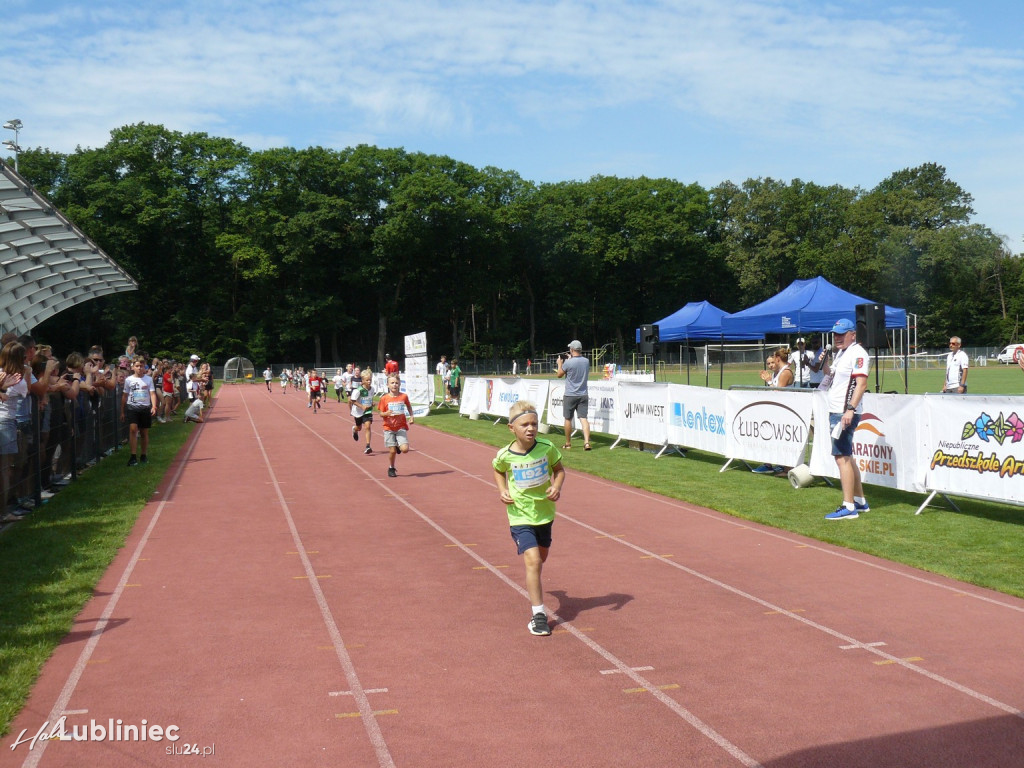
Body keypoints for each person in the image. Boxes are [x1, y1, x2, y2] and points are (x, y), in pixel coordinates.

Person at [492, 400, 565, 636]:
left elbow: (559, 470)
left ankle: (535, 584)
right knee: (533, 560)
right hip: (519, 514)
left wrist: (556, 486)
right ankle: (539, 615)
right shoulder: (505, 455)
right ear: (511, 428)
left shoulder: (547, 447)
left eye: (534, 423)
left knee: (540, 559)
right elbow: (498, 469)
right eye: (525, 424)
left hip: (544, 514)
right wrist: (502, 489)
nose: (531, 428)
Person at [823, 318, 871, 520]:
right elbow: (830, 376)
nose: (837, 337)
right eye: (835, 334)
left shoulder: (858, 353)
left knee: (841, 457)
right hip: (837, 410)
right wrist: (824, 360)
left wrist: (850, 409)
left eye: (841, 334)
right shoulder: (841, 353)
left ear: (853, 334)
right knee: (847, 456)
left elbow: (861, 383)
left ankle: (848, 506)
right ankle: (859, 501)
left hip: (844, 411)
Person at [753, 348, 793, 474]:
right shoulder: (779, 372)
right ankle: (772, 464)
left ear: (777, 359)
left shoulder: (785, 372)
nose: (771, 365)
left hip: (784, 410)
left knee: (783, 439)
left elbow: (778, 392)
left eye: (773, 361)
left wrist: (769, 381)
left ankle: (786, 468)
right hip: (777, 410)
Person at [121, 357, 158, 466]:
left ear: (144, 367)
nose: (139, 368)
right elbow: (124, 395)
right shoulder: (128, 380)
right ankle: (133, 456)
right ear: (133, 367)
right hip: (132, 407)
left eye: (141, 366)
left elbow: (152, 393)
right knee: (133, 429)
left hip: (145, 407)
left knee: (144, 432)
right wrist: (122, 411)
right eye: (137, 366)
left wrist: (154, 406)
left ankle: (143, 454)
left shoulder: (148, 379)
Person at [556, 340, 591, 451]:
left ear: (571, 349)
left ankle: (568, 443)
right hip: (583, 394)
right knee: (583, 418)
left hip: (570, 394)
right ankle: (586, 442)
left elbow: (559, 375)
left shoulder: (568, 363)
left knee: (568, 419)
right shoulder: (586, 361)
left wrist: (560, 364)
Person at [377, 373, 414, 477]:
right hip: (388, 428)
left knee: (405, 450)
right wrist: (386, 413)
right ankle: (391, 467)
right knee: (392, 451)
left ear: (400, 384)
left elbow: (409, 407)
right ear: (387, 385)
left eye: (396, 383)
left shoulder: (403, 396)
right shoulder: (384, 398)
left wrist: (411, 417)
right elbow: (380, 413)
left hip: (401, 426)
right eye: (392, 383)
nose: (394, 385)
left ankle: (399, 445)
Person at [350, 369, 374, 455]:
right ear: (363, 381)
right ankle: (354, 430)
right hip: (358, 412)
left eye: (370, 379)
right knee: (359, 427)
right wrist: (361, 406)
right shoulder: (358, 390)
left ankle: (368, 446)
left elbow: (370, 398)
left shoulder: (372, 389)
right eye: (367, 380)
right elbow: (353, 401)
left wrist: (372, 404)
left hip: (367, 411)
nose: (369, 381)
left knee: (368, 426)